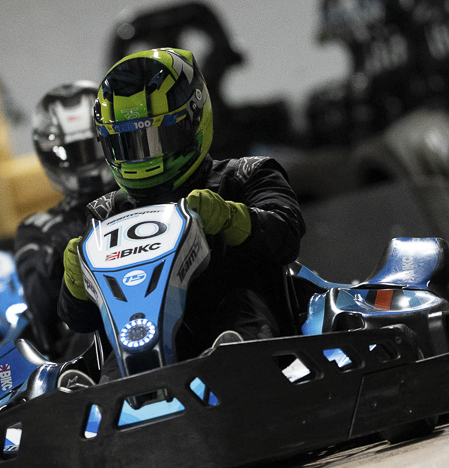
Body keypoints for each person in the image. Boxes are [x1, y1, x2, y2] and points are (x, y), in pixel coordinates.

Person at [58, 48, 306, 360]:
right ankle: (115, 381)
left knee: (239, 303)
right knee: (108, 343)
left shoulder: (246, 175)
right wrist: (76, 286)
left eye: (154, 139)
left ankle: (236, 356)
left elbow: (287, 235)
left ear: (193, 120)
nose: (142, 156)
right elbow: (81, 322)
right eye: (126, 144)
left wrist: (230, 218)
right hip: (145, 344)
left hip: (256, 340)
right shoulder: (105, 213)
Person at [14, 81, 108, 360]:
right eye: (74, 152)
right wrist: (55, 259)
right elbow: (43, 312)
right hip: (87, 339)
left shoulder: (140, 197)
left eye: (92, 147)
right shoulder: (38, 229)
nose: (86, 163)